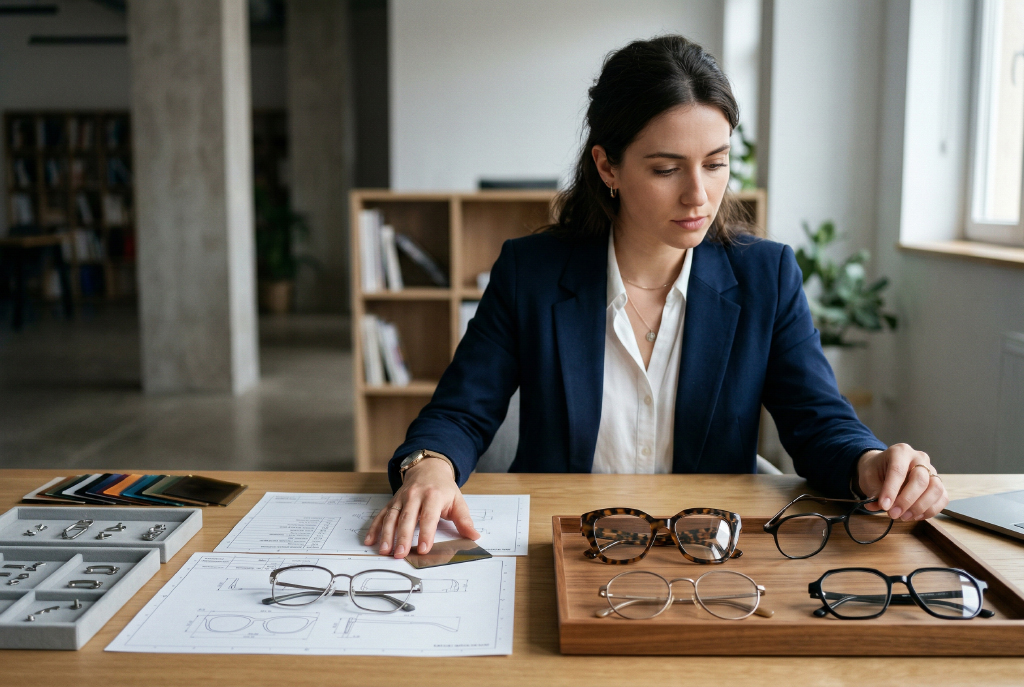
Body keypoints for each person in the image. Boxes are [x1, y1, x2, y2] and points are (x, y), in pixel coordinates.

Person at [364, 35, 948, 559]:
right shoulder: (532, 272)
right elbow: (460, 411)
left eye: (716, 164)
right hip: (562, 543)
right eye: (667, 169)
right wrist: (430, 467)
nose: (699, 195)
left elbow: (818, 422)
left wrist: (870, 463)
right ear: (607, 167)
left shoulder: (766, 275)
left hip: (704, 552)